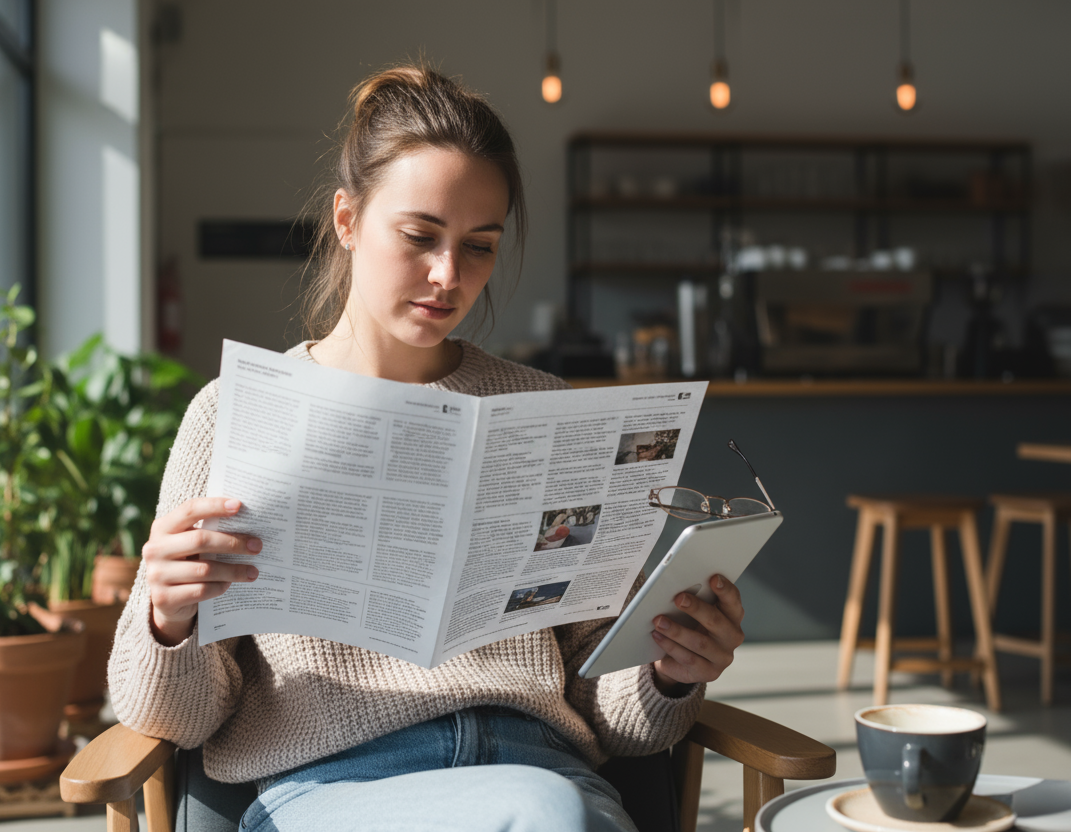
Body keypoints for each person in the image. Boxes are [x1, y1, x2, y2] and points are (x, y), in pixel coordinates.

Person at [107, 63, 746, 832]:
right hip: (335, 791)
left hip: (548, 770)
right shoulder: (235, 417)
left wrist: (669, 673)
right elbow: (172, 719)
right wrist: (166, 619)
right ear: (346, 220)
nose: (449, 276)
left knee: (553, 809)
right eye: (419, 237)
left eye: (479, 246)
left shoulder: (539, 411)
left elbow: (614, 717)